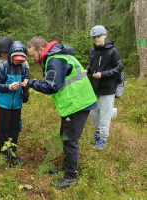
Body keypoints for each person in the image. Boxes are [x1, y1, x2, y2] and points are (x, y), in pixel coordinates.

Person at [22, 36, 97, 189]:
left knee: (70, 140)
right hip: (73, 103)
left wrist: (30, 83)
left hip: (77, 103)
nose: (32, 58)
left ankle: (70, 178)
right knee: (65, 135)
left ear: (41, 49)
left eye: (32, 55)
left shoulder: (55, 60)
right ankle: (66, 167)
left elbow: (51, 86)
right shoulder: (56, 57)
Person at [86, 25, 123, 149]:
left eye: (98, 36)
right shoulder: (92, 50)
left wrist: (103, 74)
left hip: (108, 88)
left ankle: (103, 139)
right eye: (94, 37)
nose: (96, 39)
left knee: (105, 115)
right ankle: (97, 134)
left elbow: (119, 68)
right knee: (94, 113)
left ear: (105, 36)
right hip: (94, 87)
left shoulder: (113, 51)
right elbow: (91, 64)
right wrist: (87, 70)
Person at [0, 41, 29, 166]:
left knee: (15, 129)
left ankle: (13, 153)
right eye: (16, 59)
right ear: (11, 56)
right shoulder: (3, 66)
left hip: (17, 104)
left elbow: (26, 84)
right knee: (4, 129)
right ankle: (4, 154)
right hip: (4, 103)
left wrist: (25, 93)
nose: (18, 62)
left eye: (20, 59)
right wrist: (9, 87)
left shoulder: (24, 67)